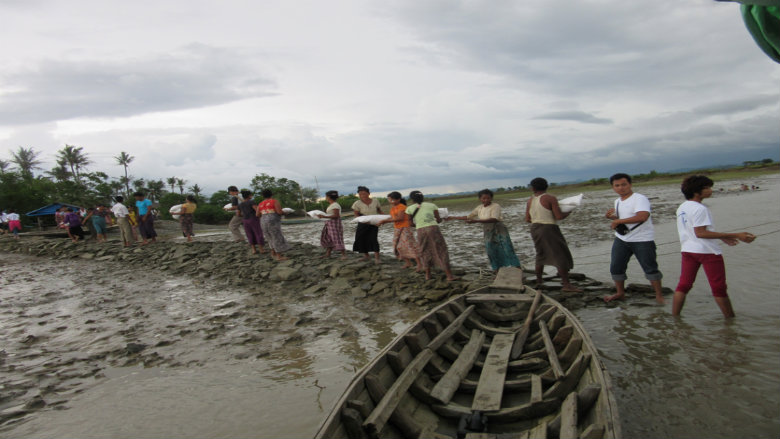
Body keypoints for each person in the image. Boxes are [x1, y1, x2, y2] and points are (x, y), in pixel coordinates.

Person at [672, 175, 756, 318]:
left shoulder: (683, 207)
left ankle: (675, 317)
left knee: (684, 285)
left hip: (688, 250)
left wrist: (724, 237)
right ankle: (730, 320)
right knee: (719, 288)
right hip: (707, 252)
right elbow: (700, 233)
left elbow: (696, 232)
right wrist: (736, 235)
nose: (710, 190)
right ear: (697, 191)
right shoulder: (700, 209)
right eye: (707, 188)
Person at [604, 173, 664, 304]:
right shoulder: (618, 201)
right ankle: (620, 293)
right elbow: (626, 219)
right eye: (617, 185)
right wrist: (613, 218)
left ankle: (659, 296)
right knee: (616, 267)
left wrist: (619, 220)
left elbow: (642, 216)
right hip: (622, 238)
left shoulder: (639, 198)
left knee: (650, 267)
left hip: (642, 239)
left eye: (624, 184)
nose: (621, 188)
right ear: (613, 187)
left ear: (630, 184)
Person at [524, 179, 581, 291]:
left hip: (535, 228)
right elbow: (559, 216)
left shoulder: (530, 200)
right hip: (548, 228)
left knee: (541, 254)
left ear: (533, 188)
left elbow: (527, 219)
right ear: (546, 186)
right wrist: (569, 211)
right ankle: (566, 285)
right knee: (559, 254)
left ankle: (539, 281)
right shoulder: (550, 198)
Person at [450, 189, 521, 272]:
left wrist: (476, 221)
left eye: (488, 198)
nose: (486, 200)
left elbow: (494, 219)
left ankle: (517, 268)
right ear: (480, 199)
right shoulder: (479, 208)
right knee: (491, 250)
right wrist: (453, 217)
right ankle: (497, 269)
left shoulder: (495, 206)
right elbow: (468, 217)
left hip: (499, 229)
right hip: (487, 230)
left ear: (491, 198)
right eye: (484, 198)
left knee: (506, 248)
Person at [405, 191, 458, 281]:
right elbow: (438, 220)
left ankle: (428, 275)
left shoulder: (409, 208)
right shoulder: (431, 205)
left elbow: (410, 223)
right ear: (423, 197)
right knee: (441, 249)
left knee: (424, 250)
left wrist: (419, 225)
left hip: (421, 230)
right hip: (433, 229)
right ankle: (449, 275)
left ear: (411, 199)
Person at [378, 191, 419, 270]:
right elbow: (392, 218)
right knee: (398, 247)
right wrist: (382, 222)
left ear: (398, 199)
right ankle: (408, 263)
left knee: (409, 245)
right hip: (397, 228)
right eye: (389, 200)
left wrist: (385, 221)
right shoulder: (393, 208)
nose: (390, 201)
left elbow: (400, 218)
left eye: (392, 199)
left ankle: (419, 263)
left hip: (405, 228)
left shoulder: (402, 207)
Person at [351, 186, 383, 263]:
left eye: (364, 193)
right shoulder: (357, 203)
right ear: (358, 195)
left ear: (368, 193)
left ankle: (377, 258)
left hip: (374, 222)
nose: (362, 195)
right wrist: (364, 221)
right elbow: (356, 215)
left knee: (373, 239)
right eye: (360, 194)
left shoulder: (375, 201)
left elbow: (379, 211)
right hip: (362, 223)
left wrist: (384, 219)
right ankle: (366, 256)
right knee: (360, 238)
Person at [257, 189, 290, 261]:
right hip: (272, 220)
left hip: (263, 221)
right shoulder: (274, 201)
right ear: (271, 194)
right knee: (276, 236)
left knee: (269, 237)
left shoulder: (260, 203)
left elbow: (257, 214)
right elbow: (279, 212)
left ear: (263, 196)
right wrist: (285, 212)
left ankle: (273, 253)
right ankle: (279, 256)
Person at [318, 190, 347, 259]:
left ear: (329, 197)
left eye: (326, 196)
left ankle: (344, 255)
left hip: (334, 224)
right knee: (329, 238)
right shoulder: (332, 205)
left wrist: (324, 216)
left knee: (337, 238)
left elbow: (336, 216)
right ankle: (328, 253)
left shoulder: (335, 205)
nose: (326, 198)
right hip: (329, 223)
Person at [237, 190, 265, 254]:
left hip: (245, 220)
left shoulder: (240, 204)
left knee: (249, 234)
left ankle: (254, 249)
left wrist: (244, 215)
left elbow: (238, 214)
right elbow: (256, 210)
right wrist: (260, 215)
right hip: (253, 219)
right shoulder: (251, 202)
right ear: (249, 196)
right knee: (258, 233)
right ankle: (261, 249)